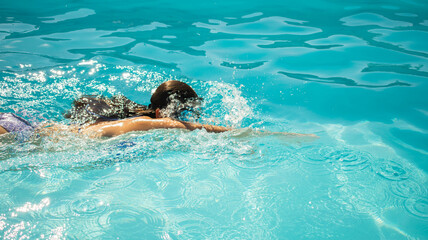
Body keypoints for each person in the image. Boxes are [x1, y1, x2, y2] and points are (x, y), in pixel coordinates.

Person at [1, 80, 316, 139]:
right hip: (19, 133)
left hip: (21, 127)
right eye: (182, 115)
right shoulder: (145, 124)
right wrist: (271, 133)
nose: (183, 122)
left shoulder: (131, 118)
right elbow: (189, 129)